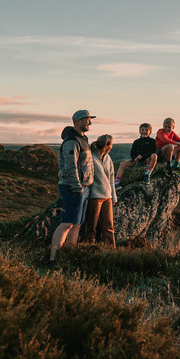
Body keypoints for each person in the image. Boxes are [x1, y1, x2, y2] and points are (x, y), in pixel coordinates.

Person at [49, 109, 95, 264]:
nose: (90, 122)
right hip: (73, 188)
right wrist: (77, 188)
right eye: (87, 119)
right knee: (67, 223)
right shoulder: (71, 141)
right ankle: (53, 259)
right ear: (77, 121)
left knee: (77, 224)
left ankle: (69, 255)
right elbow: (70, 167)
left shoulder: (83, 139)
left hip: (83, 188)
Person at [84, 134, 117, 247]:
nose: (112, 147)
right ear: (106, 145)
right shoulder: (91, 157)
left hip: (107, 196)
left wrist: (113, 195)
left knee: (109, 226)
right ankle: (89, 247)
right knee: (91, 226)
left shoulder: (108, 158)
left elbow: (111, 177)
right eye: (111, 144)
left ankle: (111, 249)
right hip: (94, 196)